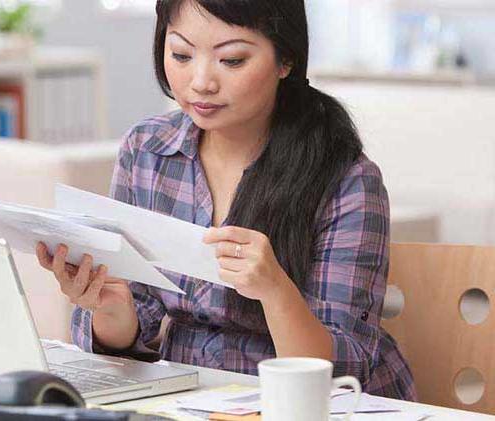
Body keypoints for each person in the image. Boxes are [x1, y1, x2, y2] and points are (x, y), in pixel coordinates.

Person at [36, 0, 417, 400]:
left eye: (232, 60)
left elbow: (344, 368)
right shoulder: (147, 151)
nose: (200, 81)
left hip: (311, 404)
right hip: (192, 400)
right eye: (181, 54)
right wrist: (110, 308)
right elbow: (138, 324)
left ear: (285, 59)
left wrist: (275, 290)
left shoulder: (347, 180)